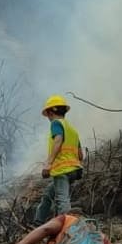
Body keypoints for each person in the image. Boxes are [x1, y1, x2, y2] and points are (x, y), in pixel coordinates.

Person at [34, 94, 84, 223]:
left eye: (48, 114)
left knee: (62, 200)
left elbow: (58, 140)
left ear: (50, 112)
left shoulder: (56, 124)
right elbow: (80, 155)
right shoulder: (72, 129)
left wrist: (48, 163)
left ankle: (67, 228)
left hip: (63, 170)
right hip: (75, 170)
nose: (48, 118)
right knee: (48, 194)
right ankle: (38, 221)